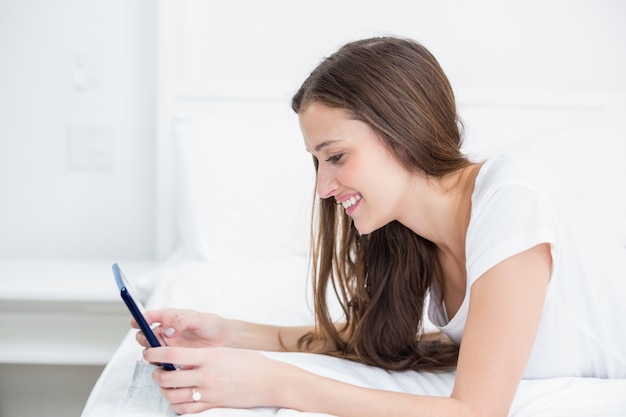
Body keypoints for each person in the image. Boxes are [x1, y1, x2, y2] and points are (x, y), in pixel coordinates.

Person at [136, 36, 626, 416]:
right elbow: (399, 344)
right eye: (318, 163)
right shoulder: (419, 237)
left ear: (401, 130)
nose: (324, 187)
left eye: (337, 157)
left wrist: (274, 382)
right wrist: (232, 334)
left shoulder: (510, 202)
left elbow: (476, 410)